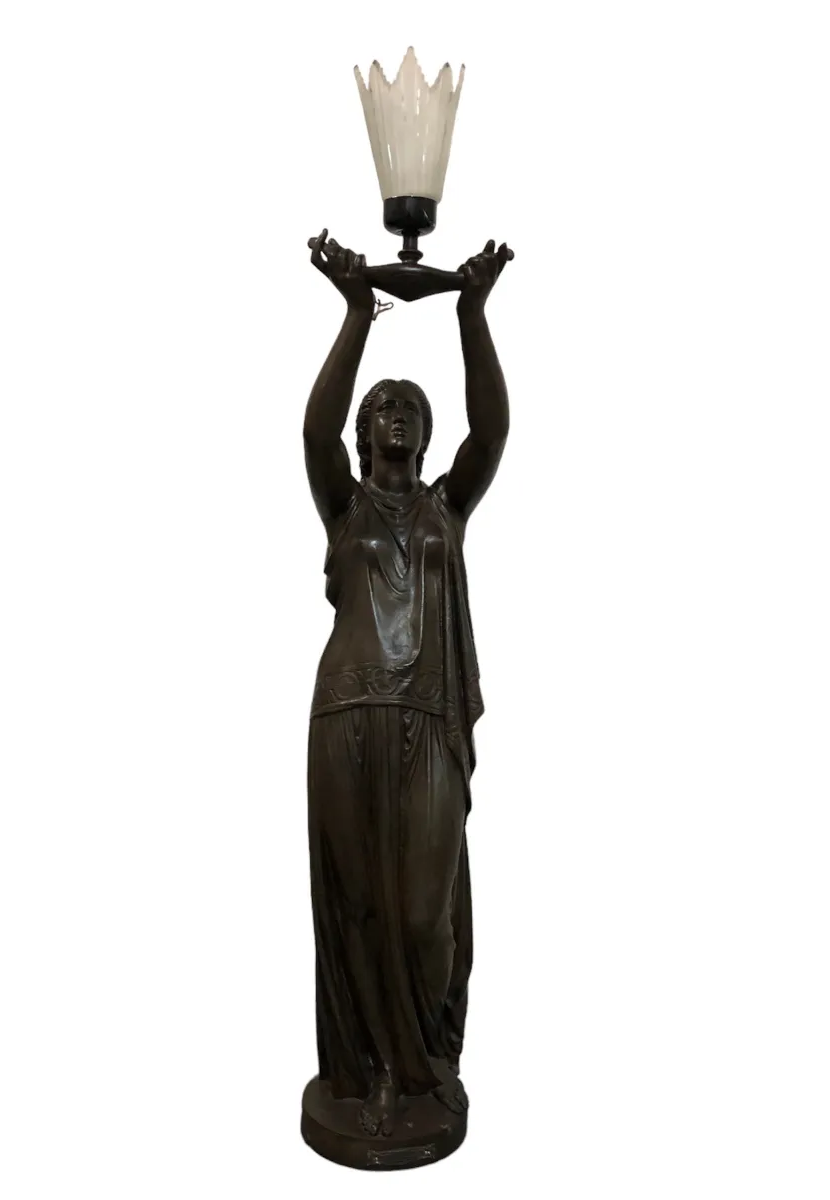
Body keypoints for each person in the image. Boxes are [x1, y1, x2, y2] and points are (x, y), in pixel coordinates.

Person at [303, 230, 510, 1138]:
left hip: (427, 717)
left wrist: (473, 315)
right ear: (365, 435)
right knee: (357, 904)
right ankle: (372, 1077)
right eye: (382, 407)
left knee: (426, 913)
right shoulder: (343, 507)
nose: (395, 415)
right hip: (347, 712)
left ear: (425, 436)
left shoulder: (444, 508)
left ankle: (427, 1063)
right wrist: (357, 313)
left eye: (409, 409)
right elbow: (313, 431)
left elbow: (491, 431)